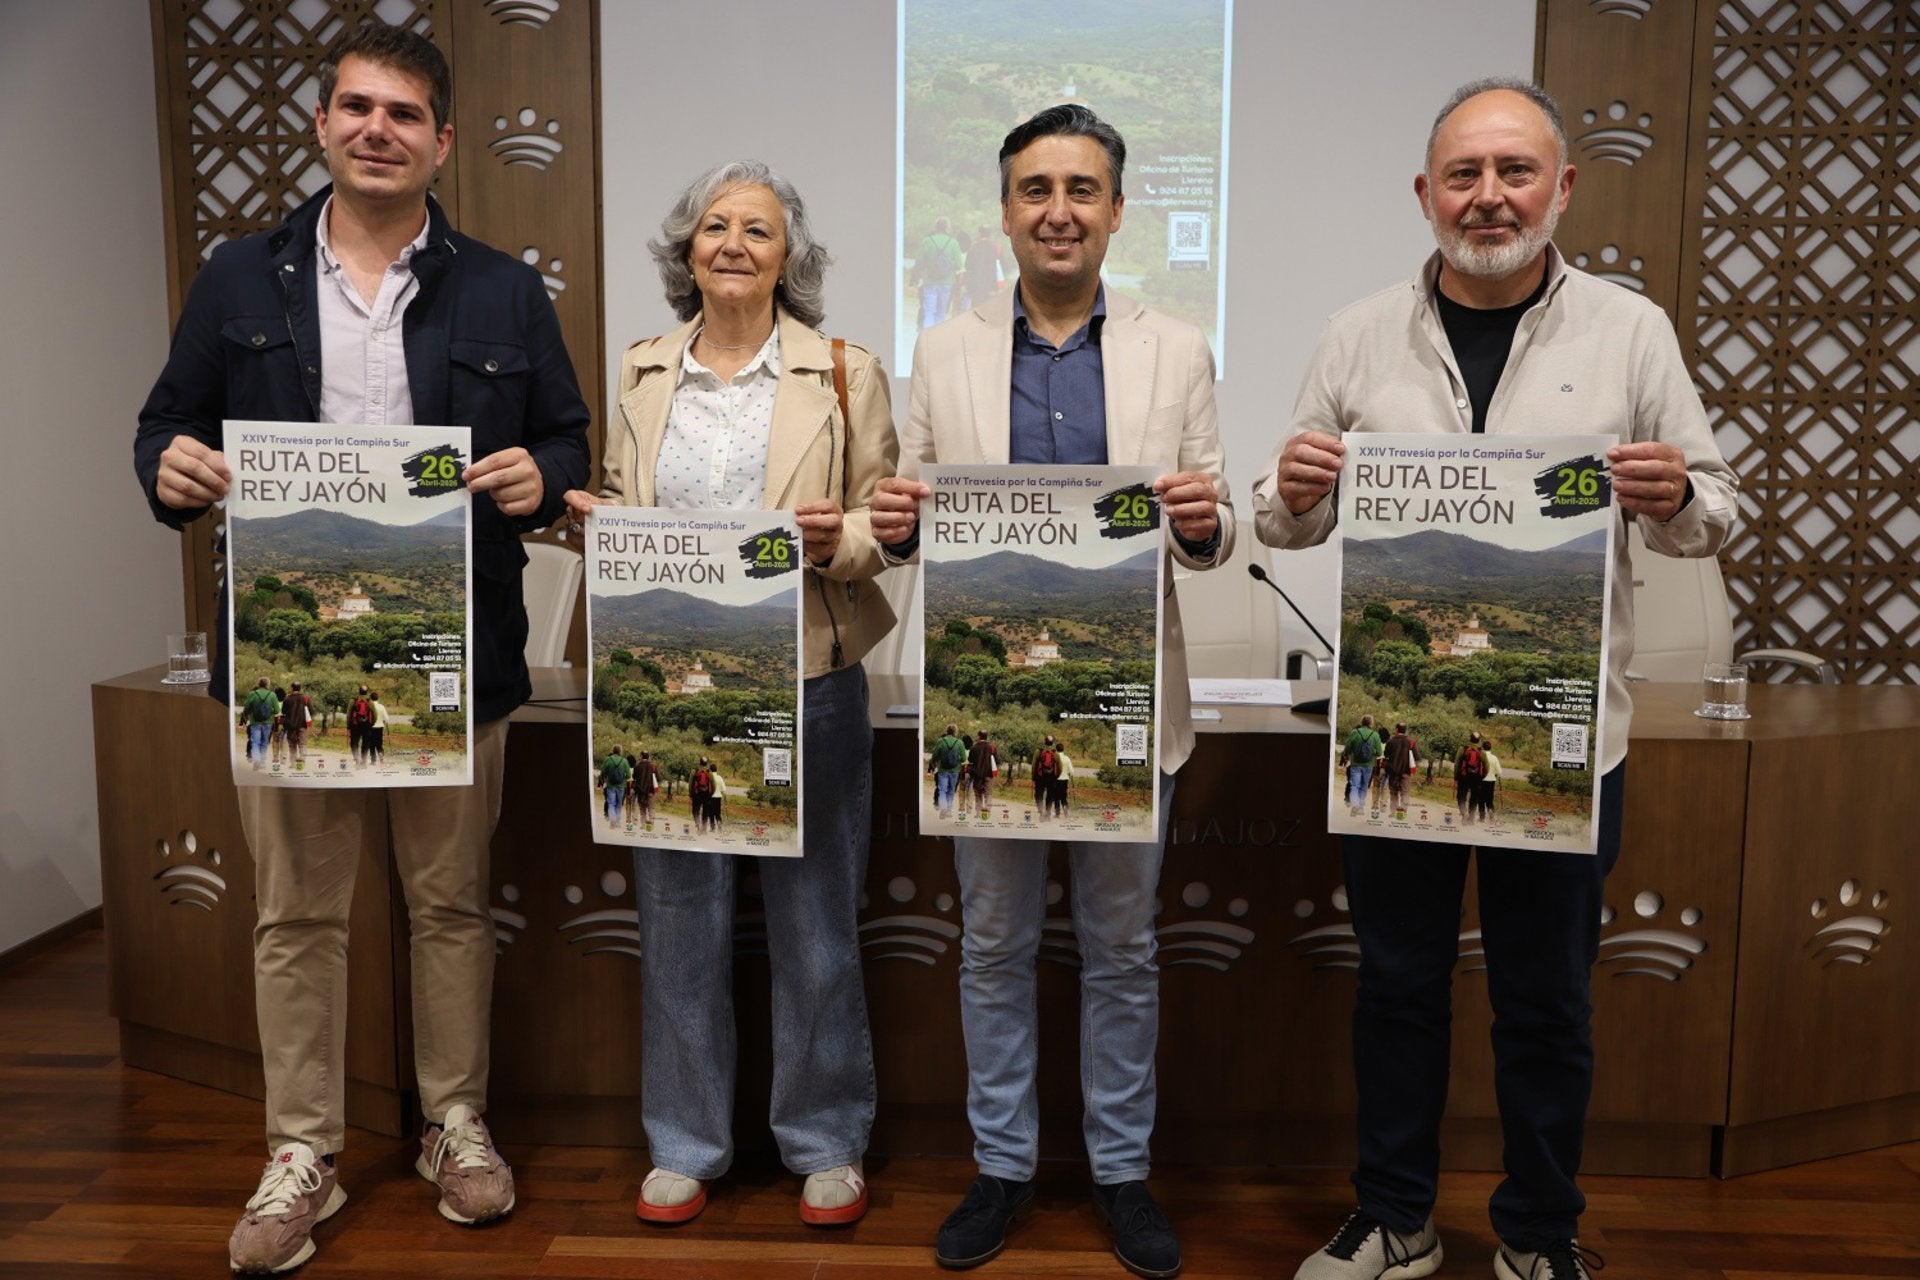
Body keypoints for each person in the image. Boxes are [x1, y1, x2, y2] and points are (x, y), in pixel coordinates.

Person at [1254, 77, 1735, 1280]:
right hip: (1395, 729)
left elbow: (1717, 511)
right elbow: (1282, 521)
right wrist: (1295, 488)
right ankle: (1395, 1213)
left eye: (1514, 171)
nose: (1489, 197)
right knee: (1400, 986)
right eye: (1463, 175)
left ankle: (1537, 1229)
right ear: (1425, 196)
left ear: (1561, 188)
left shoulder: (1632, 332)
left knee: (1546, 1002)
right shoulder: (1356, 332)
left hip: (1567, 734)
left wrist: (1674, 492)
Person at [132, 21, 590, 1274]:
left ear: (444, 141)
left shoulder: (503, 287)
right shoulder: (240, 277)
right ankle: (303, 1148)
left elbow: (569, 446)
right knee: (294, 915)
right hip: (293, 655)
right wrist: (169, 471)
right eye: (357, 108)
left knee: (448, 904)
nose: (378, 128)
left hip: (459, 653)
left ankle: (453, 1121)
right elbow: (166, 425)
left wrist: (533, 477)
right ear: (325, 126)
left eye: (404, 112)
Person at [871, 103, 1234, 1280]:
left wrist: (1201, 521)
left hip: (1128, 699)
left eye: (1082, 189)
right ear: (1006, 212)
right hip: (987, 702)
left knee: (1124, 950)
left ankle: (1123, 1173)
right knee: (993, 945)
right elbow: (912, 522)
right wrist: (895, 523)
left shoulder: (1177, 346)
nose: (1059, 209)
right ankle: (1005, 1165)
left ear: (1119, 211)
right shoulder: (946, 348)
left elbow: (1216, 527)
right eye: (1036, 189)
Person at [562, 159, 898, 1229]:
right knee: (678, 916)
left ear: (789, 256)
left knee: (814, 925)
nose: (733, 243)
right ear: (686, 250)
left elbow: (885, 528)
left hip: (808, 676)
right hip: (665, 677)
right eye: (714, 226)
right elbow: (622, 502)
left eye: (758, 228)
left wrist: (832, 537)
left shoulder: (845, 370)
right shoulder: (643, 370)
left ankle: (826, 1140)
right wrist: (595, 523)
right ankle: (686, 1141)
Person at [913, 217, 964, 330]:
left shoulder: (927, 241)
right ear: (947, 228)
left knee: (929, 311)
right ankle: (937, 339)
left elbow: (919, 261)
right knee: (941, 312)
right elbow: (959, 265)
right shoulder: (953, 242)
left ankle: (927, 338)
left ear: (935, 227)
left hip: (929, 281)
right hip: (947, 282)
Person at [1340, 715, 1382, 817]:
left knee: (1354, 785)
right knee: (1364, 786)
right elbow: (1379, 752)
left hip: (1355, 764)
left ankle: (1355, 805)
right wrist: (1372, 752)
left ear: (1362, 722)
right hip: (1368, 765)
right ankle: (1361, 808)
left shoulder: (1355, 732)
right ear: (1371, 723)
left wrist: (1347, 756)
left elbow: (1347, 749)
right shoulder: (1375, 735)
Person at [961, 225, 1003, 311]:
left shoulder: (973, 247)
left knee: (976, 309)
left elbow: (967, 265)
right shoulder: (996, 248)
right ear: (989, 234)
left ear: (980, 234)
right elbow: (1003, 266)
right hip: (991, 284)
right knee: (988, 310)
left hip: (976, 284)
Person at [239, 678, 278, 768]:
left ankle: (256, 760)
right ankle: (263, 762)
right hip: (268, 722)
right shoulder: (272, 695)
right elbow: (277, 710)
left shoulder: (253, 694)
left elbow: (246, 709)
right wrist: (269, 711)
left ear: (258, 684)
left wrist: (250, 714)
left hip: (255, 722)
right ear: (268, 684)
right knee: (264, 742)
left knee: (255, 742)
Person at [930, 723, 967, 816]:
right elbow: (963, 758)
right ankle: (949, 811)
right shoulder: (959, 742)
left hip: (942, 769)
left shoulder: (941, 741)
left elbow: (935, 755)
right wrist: (957, 759)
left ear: (947, 731)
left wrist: (933, 763)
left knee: (942, 790)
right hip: (955, 770)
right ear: (955, 732)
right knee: (951, 789)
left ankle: (943, 808)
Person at [1455, 731, 1486, 825]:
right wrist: (1482, 776)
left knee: (1461, 796)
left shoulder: (1463, 749)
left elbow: (1457, 764)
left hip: (1464, 776)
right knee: (1474, 798)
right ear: (1478, 740)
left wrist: (1456, 776)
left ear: (1470, 738)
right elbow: (1487, 767)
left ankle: (1464, 813)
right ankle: (1471, 818)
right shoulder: (1482, 752)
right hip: (1477, 778)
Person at [1383, 723, 1415, 813]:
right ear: (1405, 730)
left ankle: (1393, 811)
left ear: (1397, 729)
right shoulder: (1411, 741)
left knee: (1393, 792)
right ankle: (1403, 811)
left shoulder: (1391, 741)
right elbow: (1416, 757)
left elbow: (1386, 755)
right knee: (1405, 792)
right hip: (1406, 771)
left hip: (1393, 771)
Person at [966, 729, 998, 817]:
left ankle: (978, 813)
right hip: (989, 774)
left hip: (977, 775)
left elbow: (970, 760)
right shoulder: (992, 747)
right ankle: (987, 813)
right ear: (986, 736)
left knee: (978, 794)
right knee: (988, 794)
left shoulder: (974, 747)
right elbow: (997, 760)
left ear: (979, 736)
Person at [600, 745, 633, 825]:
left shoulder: (608, 759)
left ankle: (613, 819)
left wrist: (605, 779)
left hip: (610, 785)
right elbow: (629, 776)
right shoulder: (624, 761)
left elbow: (602, 773)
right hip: (621, 786)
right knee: (618, 803)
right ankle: (617, 821)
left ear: (613, 750)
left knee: (611, 803)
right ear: (620, 751)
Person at [1031, 735, 1062, 819]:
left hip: (1040, 777)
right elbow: (1060, 767)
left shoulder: (1038, 751)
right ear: (1052, 743)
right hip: (1052, 778)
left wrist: (1033, 777)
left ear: (1044, 741)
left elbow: (1034, 766)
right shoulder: (1055, 753)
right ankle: (1048, 813)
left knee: (1039, 794)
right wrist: (1056, 776)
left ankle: (1041, 811)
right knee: (1050, 795)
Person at [283, 681, 313, 763]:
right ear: (300, 688)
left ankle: (293, 762)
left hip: (290, 725)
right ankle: (302, 760)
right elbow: (311, 711)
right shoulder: (306, 698)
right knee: (303, 744)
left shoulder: (287, 698)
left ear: (292, 688)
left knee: (292, 745)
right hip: (303, 725)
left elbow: (283, 711)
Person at [347, 684, 374, 765]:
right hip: (367, 725)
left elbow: (348, 714)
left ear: (359, 691)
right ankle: (364, 761)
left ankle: (357, 759)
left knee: (354, 743)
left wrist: (348, 725)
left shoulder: (353, 700)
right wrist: (372, 724)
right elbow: (375, 714)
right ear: (367, 692)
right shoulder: (370, 701)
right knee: (366, 743)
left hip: (355, 725)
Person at [1478, 739, 1502, 823]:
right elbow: (1499, 772)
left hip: (1481, 780)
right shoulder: (1494, 758)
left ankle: (1482, 818)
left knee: (1481, 799)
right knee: (1489, 799)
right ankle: (1491, 816)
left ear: (1483, 748)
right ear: (1490, 748)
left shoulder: (1480, 756)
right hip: (1491, 781)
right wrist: (1494, 774)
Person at [367, 690, 389, 763]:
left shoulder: (368, 706)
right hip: (379, 727)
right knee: (379, 744)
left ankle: (373, 761)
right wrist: (384, 722)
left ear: (371, 698)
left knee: (371, 744)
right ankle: (381, 759)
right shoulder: (381, 707)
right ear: (378, 698)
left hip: (370, 727)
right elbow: (386, 718)